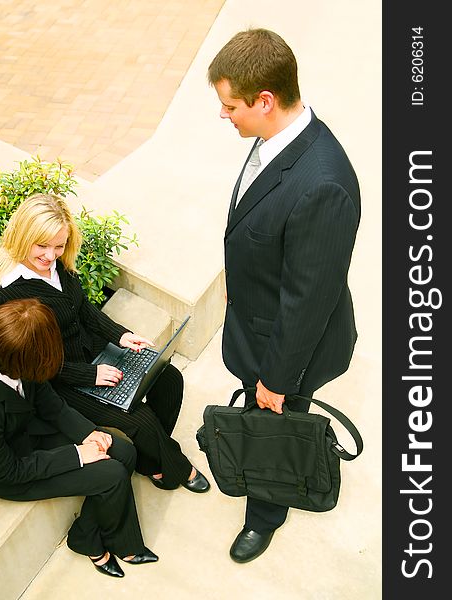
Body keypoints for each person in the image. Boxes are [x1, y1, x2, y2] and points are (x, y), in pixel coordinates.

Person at [207, 28, 361, 563]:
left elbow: (308, 301)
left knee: (273, 429)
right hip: (259, 321)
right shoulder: (277, 140)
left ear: (265, 101)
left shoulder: (323, 185)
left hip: (287, 352)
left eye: (230, 106)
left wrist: (275, 380)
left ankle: (264, 514)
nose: (225, 115)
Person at [0, 192, 209, 494]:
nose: (50, 255)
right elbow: (32, 364)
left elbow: (84, 310)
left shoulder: (57, 264)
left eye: (59, 245)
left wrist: (119, 335)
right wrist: (89, 375)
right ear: (23, 235)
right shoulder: (7, 295)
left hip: (96, 353)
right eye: (42, 245)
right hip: (62, 380)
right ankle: (175, 467)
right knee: (140, 420)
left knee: (169, 377)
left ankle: (150, 458)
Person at [0, 298, 158, 578]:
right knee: (112, 474)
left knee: (124, 452)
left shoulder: (11, 348)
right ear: (20, 361)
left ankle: (84, 534)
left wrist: (88, 433)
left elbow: (48, 401)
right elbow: (10, 471)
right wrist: (79, 454)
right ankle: (108, 545)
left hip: (28, 431)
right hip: (8, 470)